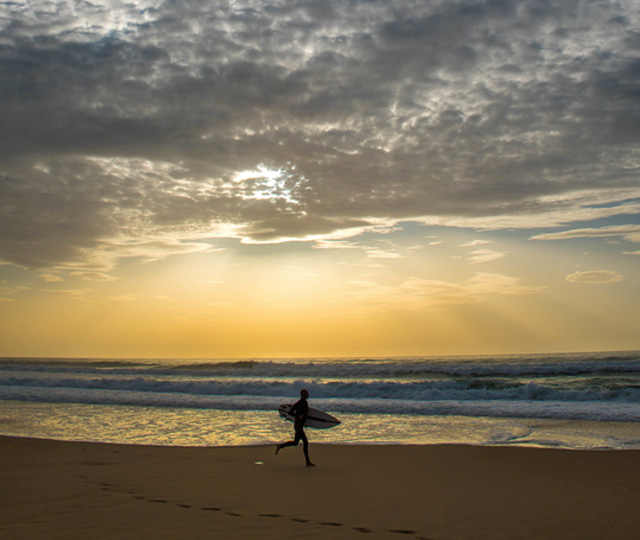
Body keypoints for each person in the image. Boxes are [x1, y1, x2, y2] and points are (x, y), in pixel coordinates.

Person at [276, 388, 315, 466]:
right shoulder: (299, 403)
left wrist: (305, 423)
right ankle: (307, 461)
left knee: (295, 443)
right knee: (305, 442)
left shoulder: (305, 403)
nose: (308, 395)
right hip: (298, 426)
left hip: (299, 426)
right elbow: (290, 412)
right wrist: (298, 416)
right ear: (303, 395)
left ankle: (280, 446)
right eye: (307, 393)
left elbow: (305, 415)